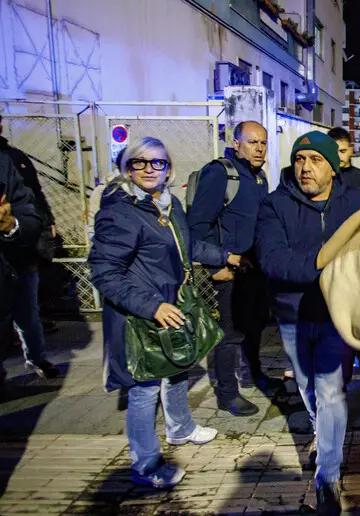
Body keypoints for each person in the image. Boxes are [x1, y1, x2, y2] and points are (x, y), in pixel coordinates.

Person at [89, 137, 242, 489]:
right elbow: (104, 272)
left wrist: (226, 256)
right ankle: (145, 466)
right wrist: (151, 306)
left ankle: (180, 428)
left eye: (156, 162)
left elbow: (185, 246)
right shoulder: (121, 211)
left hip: (171, 307)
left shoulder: (167, 204)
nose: (148, 169)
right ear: (127, 168)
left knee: (177, 371)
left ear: (168, 169)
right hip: (139, 316)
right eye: (138, 163)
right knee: (143, 390)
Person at [255, 131, 360, 515]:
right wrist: (326, 262)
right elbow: (273, 260)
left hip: (338, 314)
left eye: (316, 160)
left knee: (332, 390)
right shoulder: (275, 205)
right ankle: (324, 432)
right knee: (307, 387)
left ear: (333, 168)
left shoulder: (355, 202)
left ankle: (328, 476)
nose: (305, 167)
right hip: (293, 315)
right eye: (300, 159)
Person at [187, 121, 278, 416]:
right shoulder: (220, 173)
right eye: (253, 142)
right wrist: (217, 264)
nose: (260, 148)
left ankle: (253, 374)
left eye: (263, 143)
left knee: (254, 327)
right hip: (230, 271)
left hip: (255, 269)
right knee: (230, 333)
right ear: (236, 143)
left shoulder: (258, 177)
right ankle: (227, 393)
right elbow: (198, 225)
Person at [0, 114, 59, 378]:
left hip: (18, 253)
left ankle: (36, 358)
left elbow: (32, 199)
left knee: (27, 312)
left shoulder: (11, 159)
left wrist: (40, 227)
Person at [0, 152, 42, 394]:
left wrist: (11, 225)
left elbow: (30, 214)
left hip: (9, 270)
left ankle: (36, 358)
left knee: (27, 316)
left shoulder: (6, 162)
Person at [327, 127, 360, 203]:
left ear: (351, 150)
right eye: (333, 152)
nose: (338, 157)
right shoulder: (324, 177)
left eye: (342, 151)